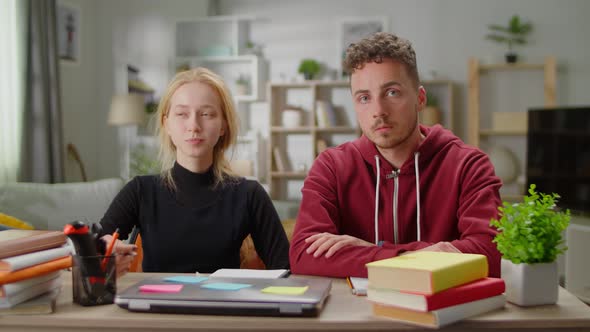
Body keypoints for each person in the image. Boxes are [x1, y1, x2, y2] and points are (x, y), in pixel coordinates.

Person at [289, 32, 502, 278]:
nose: (378, 111)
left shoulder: (468, 165)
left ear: (420, 98)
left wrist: (375, 252)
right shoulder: (331, 166)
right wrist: (410, 257)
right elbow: (304, 254)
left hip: (443, 312)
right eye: (364, 98)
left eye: (392, 92)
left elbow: (490, 252)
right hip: (358, 313)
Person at [100, 68, 290, 275]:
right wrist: (102, 253)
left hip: (224, 305)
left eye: (206, 114)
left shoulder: (250, 195)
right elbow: (95, 248)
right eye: (182, 114)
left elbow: (285, 269)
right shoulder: (140, 191)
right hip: (157, 305)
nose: (194, 126)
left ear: (223, 126)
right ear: (167, 125)